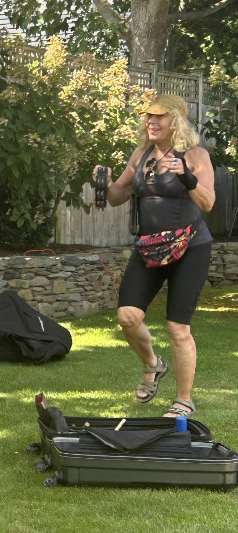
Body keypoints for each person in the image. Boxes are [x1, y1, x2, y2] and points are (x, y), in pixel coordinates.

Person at [93, 93, 215, 418]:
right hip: (149, 246)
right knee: (127, 316)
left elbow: (207, 203)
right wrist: (105, 184)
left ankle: (183, 400)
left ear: (175, 121)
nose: (151, 121)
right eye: (149, 116)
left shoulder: (196, 155)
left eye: (159, 117)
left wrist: (187, 176)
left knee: (178, 327)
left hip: (190, 247)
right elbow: (119, 196)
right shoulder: (142, 154)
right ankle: (152, 365)